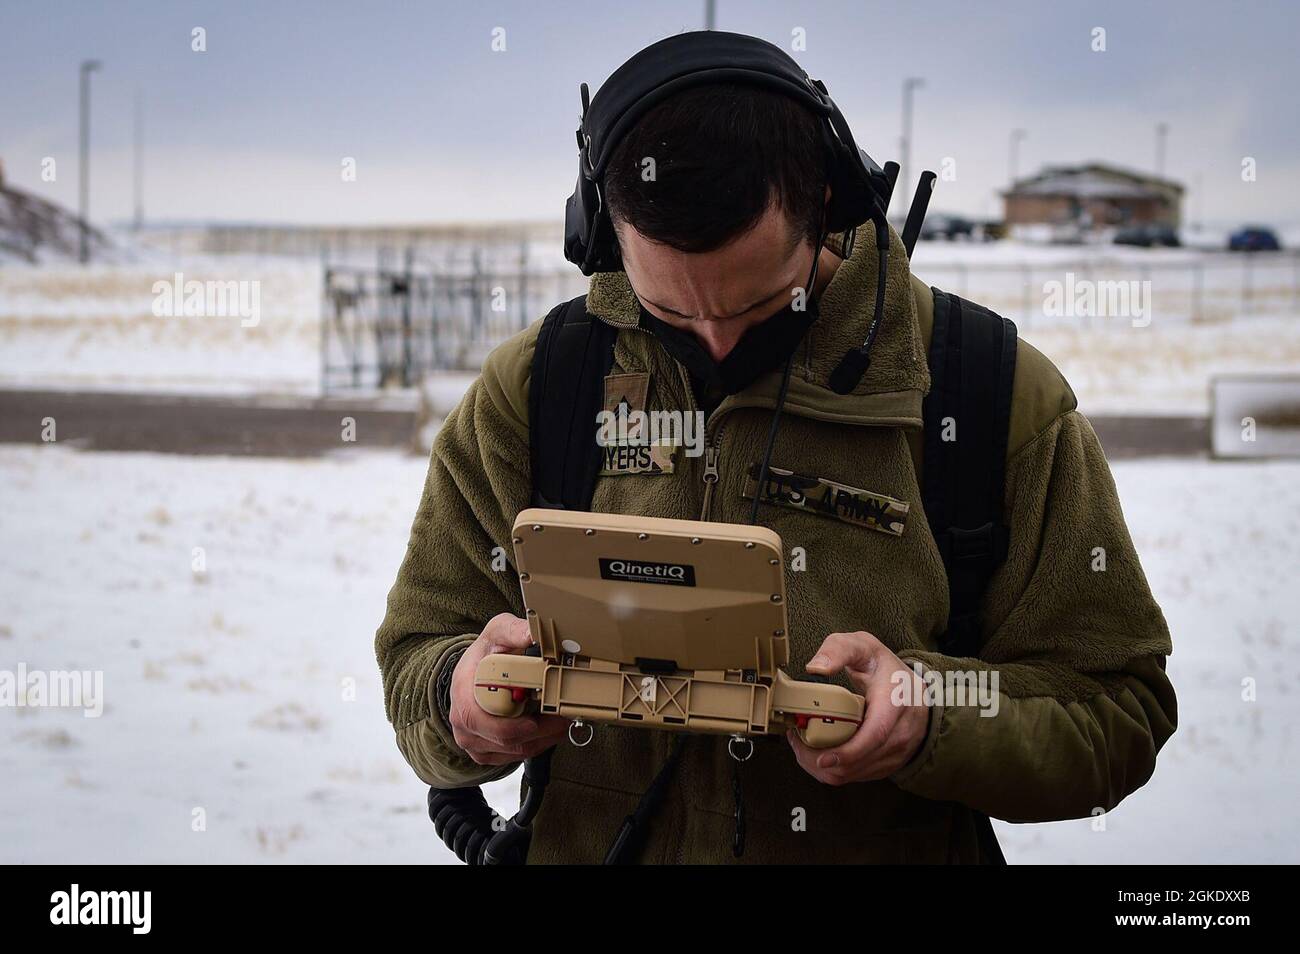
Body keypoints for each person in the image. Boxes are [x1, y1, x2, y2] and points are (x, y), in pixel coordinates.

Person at [375, 33, 1176, 864]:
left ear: (829, 205)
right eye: (673, 313)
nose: (717, 342)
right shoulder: (543, 387)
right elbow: (415, 655)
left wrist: (935, 716)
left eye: (761, 303)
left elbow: (1118, 711)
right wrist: (459, 698)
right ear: (603, 234)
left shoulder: (987, 394)